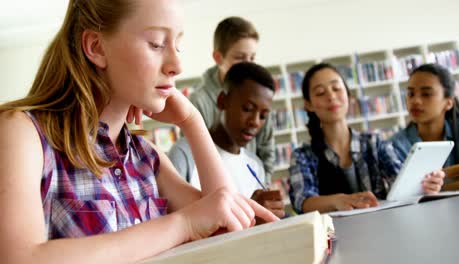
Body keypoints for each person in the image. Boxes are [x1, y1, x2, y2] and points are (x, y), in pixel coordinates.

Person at [0, 1, 277, 263]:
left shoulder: (147, 156)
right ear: (96, 47)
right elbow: (20, 258)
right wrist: (184, 224)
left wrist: (192, 122)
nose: (176, 66)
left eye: (177, 46)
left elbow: (227, 225)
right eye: (156, 44)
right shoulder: (23, 134)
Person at [288, 63, 445, 214]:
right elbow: (302, 201)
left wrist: (424, 186)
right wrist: (338, 201)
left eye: (336, 88)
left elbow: (400, 184)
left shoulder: (374, 143)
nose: (331, 96)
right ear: (308, 104)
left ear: (348, 95)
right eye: (321, 92)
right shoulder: (302, 155)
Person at [169, 62, 284, 219]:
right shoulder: (185, 153)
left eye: (263, 116)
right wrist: (248, 216)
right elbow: (176, 221)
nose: (255, 122)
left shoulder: (255, 165)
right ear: (222, 100)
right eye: (248, 109)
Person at [188, 16, 275, 183]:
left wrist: (262, 185)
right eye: (240, 57)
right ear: (218, 57)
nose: (248, 64)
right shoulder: (199, 101)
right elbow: (194, 156)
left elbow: (266, 150)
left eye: (252, 58)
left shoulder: (259, 95)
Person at [390, 63, 459, 167]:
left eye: (426, 94)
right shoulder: (395, 146)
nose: (415, 101)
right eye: (411, 94)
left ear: (449, 103)